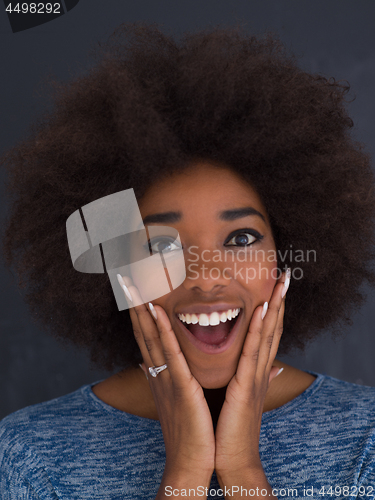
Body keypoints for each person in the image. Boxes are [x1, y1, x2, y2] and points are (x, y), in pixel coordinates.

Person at [1, 21, 375, 500]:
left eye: (240, 238)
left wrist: (242, 468)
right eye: (159, 246)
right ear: (119, 271)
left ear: (284, 255)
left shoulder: (365, 438)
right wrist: (185, 470)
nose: (204, 277)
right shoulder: (32, 454)